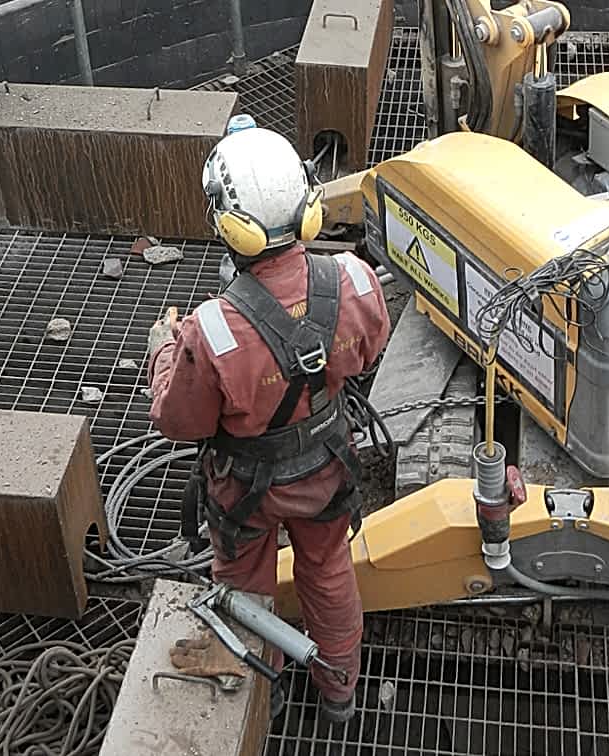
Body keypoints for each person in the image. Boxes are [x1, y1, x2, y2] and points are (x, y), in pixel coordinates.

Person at [146, 119, 390, 723]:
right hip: (325, 470)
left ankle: (260, 699)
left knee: (242, 586)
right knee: (328, 570)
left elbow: (179, 421)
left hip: (246, 491)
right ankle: (339, 696)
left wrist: (162, 351)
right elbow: (369, 346)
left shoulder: (212, 329)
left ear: (229, 225)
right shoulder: (355, 280)